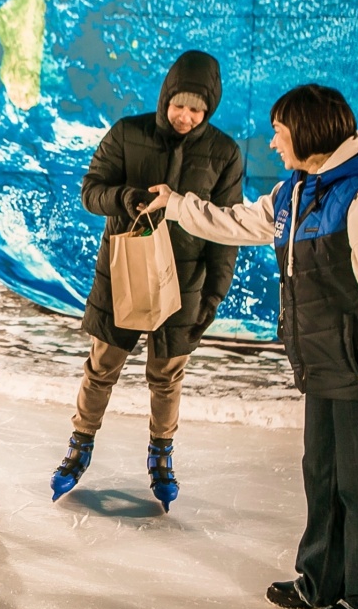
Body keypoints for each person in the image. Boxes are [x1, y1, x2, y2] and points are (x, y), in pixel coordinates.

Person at [149, 83, 358, 609]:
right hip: (322, 363)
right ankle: (320, 578)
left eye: (279, 132)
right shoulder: (297, 192)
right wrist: (176, 205)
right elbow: (236, 223)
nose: (274, 143)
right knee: (321, 476)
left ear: (308, 131)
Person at [50, 50, 244, 512]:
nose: (186, 117)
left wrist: (212, 298)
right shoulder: (128, 133)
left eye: (197, 109)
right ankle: (80, 443)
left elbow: (227, 229)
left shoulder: (224, 152)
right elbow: (91, 191)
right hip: (125, 272)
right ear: (166, 97)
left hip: (186, 282)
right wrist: (125, 197)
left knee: (167, 376)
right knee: (102, 366)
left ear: (209, 110)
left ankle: (161, 454)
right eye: (180, 105)